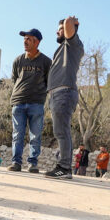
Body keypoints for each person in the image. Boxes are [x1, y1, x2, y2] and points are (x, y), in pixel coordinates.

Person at [45, 16, 85, 179]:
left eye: (60, 28)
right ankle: (63, 165)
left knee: (62, 131)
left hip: (64, 93)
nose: (57, 31)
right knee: (60, 130)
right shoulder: (63, 48)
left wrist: (70, 22)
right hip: (57, 94)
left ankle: (64, 167)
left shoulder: (73, 44)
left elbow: (68, 24)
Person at [8, 28, 51, 172]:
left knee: (35, 136)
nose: (25, 41)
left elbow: (49, 81)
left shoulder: (46, 61)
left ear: (37, 42)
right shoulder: (18, 60)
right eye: (24, 39)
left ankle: (32, 163)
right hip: (18, 102)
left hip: (36, 104)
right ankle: (16, 163)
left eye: (28, 38)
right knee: (17, 135)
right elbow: (15, 79)